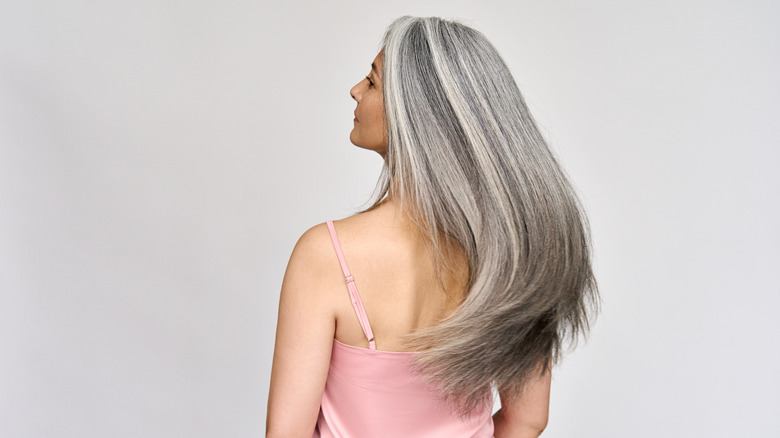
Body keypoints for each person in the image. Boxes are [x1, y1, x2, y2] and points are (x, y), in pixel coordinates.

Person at [266, 15, 598, 438]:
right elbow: (527, 418)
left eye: (372, 82)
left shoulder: (326, 253)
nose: (355, 90)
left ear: (415, 112)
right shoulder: (515, 252)